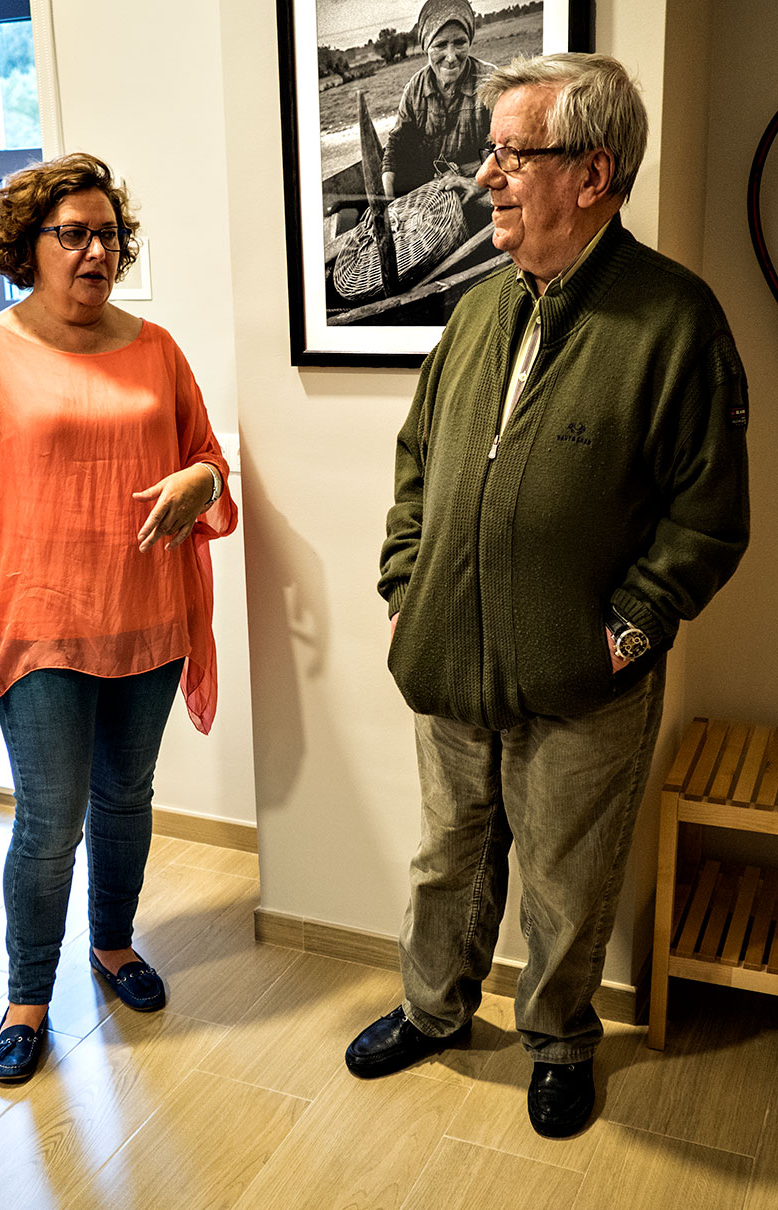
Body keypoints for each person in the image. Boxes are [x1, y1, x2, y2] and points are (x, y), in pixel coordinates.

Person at [346, 54, 749, 1138]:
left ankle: (561, 1039)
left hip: (584, 683)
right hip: (450, 660)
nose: (487, 176)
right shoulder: (479, 311)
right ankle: (433, 1011)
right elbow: (419, 463)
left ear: (593, 173)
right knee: (447, 862)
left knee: (567, 885)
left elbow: (707, 520)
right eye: (492, 152)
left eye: (513, 154)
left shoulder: (676, 322)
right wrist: (406, 585)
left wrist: (625, 632)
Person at [0, 152, 237, 1083]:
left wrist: (200, 477)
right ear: (30, 247)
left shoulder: (157, 350)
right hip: (38, 624)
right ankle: (25, 997)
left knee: (126, 800)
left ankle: (112, 944)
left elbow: (210, 460)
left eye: (108, 235)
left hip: (145, 623)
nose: (96, 252)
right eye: (74, 235)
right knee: (51, 818)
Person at [381, 0, 494, 202]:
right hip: (433, 193)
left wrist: (477, 183)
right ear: (426, 47)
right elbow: (397, 145)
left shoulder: (491, 83)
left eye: (459, 42)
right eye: (440, 45)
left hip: (480, 187)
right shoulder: (415, 89)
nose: (451, 57)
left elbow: (507, 149)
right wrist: (388, 201)